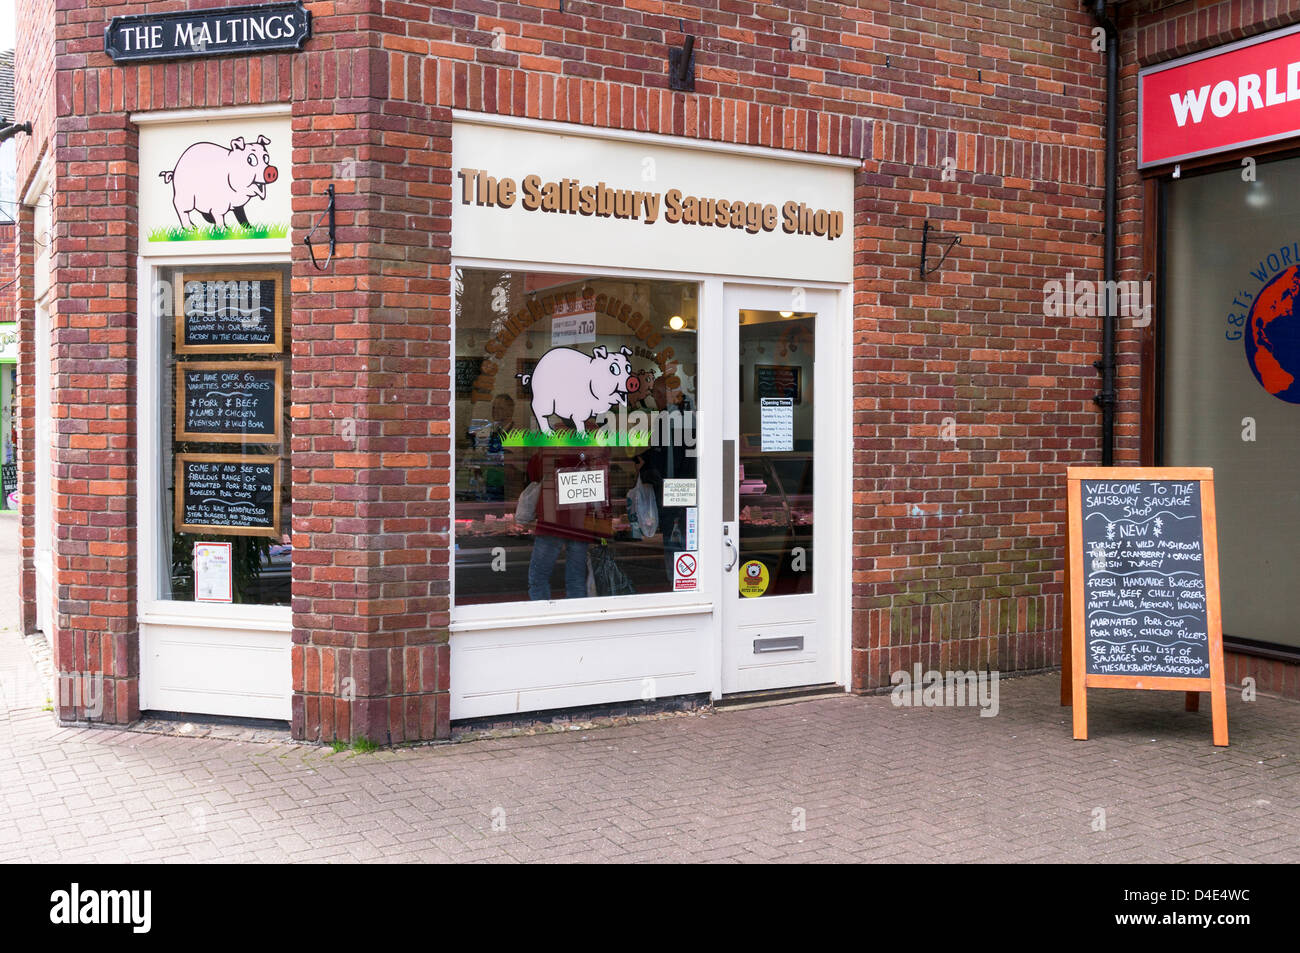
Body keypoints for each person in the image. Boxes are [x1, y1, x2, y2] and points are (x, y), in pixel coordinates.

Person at [524, 447, 611, 600]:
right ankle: (577, 620)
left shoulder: (554, 440)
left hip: (553, 520)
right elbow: (603, 478)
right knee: (576, 580)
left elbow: (534, 472)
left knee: (538, 578)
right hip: (580, 521)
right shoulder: (593, 439)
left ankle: (543, 619)